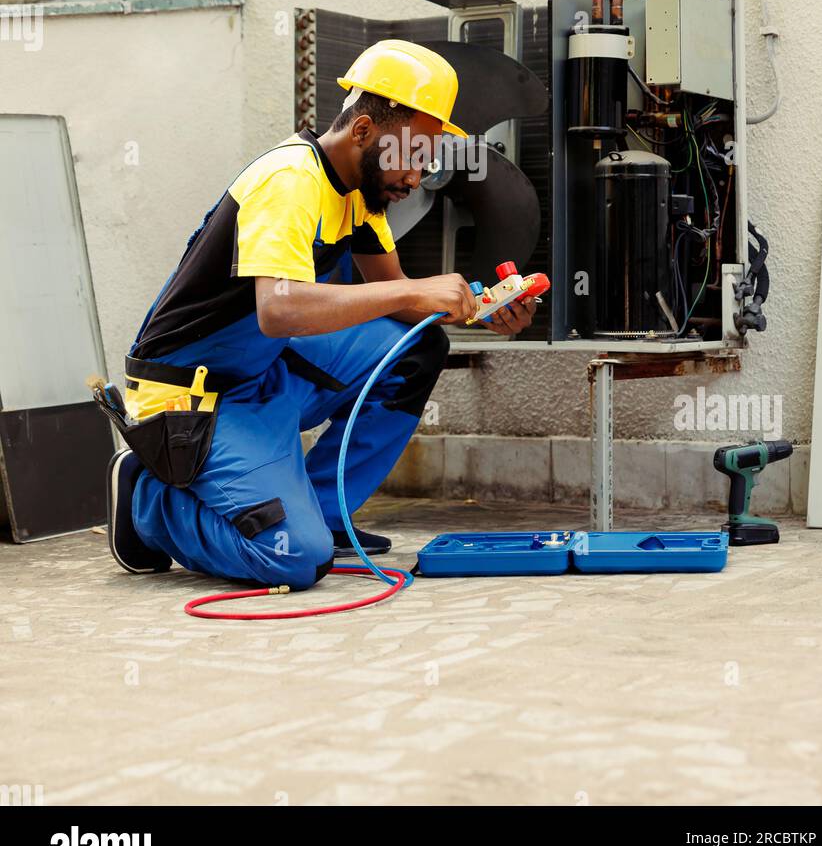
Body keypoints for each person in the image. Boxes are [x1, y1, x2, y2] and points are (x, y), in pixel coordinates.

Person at [107, 39, 538, 588]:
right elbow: (280, 309)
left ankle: (320, 511)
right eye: (412, 156)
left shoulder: (360, 194)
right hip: (195, 395)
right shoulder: (290, 180)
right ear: (362, 132)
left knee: (419, 348)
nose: (417, 177)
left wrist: (479, 309)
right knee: (295, 558)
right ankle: (148, 498)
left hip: (264, 366)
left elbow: (398, 296)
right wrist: (413, 295)